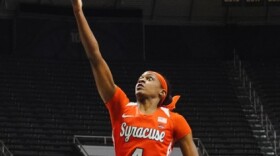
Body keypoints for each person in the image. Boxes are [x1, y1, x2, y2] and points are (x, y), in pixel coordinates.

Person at [71, 0, 199, 155]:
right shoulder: (121, 107)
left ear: (162, 93)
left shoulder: (176, 120)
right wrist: (78, 12)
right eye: (141, 78)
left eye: (149, 78)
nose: (142, 80)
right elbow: (95, 57)